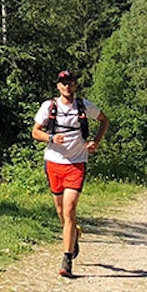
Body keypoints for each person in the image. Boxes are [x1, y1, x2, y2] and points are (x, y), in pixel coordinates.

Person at [32, 70, 109, 279]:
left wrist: (96, 142)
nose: (67, 86)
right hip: (54, 163)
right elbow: (35, 131)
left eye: (70, 83)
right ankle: (73, 235)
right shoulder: (49, 106)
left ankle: (67, 260)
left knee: (69, 210)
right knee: (61, 212)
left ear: (75, 86)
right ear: (58, 86)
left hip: (76, 164)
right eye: (63, 83)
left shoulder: (85, 106)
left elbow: (104, 120)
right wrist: (50, 138)